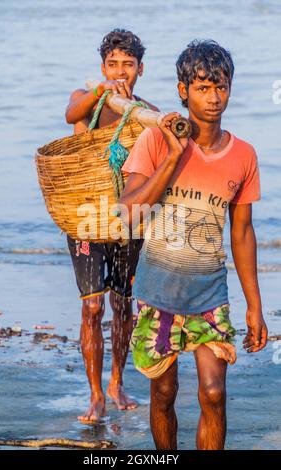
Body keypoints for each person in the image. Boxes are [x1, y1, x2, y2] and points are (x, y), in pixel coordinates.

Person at [120, 39, 268, 449]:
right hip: (157, 293)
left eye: (221, 86)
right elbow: (129, 212)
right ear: (183, 90)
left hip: (209, 296)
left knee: (213, 393)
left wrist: (254, 306)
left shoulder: (243, 155)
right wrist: (171, 156)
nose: (214, 97)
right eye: (203, 87)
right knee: (164, 393)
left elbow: (241, 233)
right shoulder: (154, 141)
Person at [65, 29, 158, 424]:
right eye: (113, 64)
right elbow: (71, 115)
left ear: (140, 69)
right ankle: (96, 394)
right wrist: (102, 90)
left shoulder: (147, 111)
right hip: (86, 217)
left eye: (128, 65)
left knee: (122, 306)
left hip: (129, 222)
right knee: (92, 307)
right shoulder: (86, 101)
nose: (121, 71)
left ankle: (117, 382)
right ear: (102, 67)